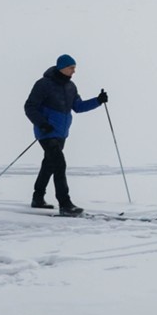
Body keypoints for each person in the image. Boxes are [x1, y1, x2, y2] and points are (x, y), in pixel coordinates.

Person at [23, 54, 109, 216]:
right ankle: (65, 204)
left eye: (74, 68)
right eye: (71, 68)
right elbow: (30, 106)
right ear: (62, 67)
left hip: (62, 133)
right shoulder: (44, 84)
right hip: (46, 132)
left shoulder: (71, 87)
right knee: (59, 164)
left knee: (49, 165)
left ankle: (38, 198)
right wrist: (42, 123)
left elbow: (78, 107)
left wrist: (98, 101)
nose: (74, 71)